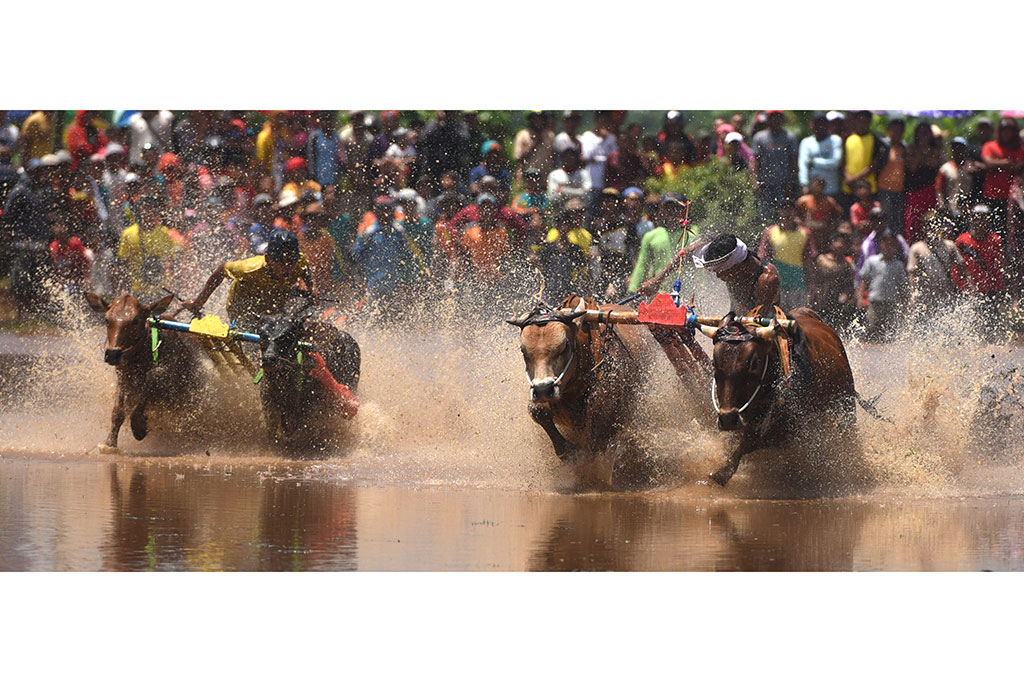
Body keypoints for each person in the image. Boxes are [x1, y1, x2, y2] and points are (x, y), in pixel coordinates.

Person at [182, 229, 314, 331]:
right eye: (280, 261)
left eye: (292, 260)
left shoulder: (300, 261)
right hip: (243, 312)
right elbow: (221, 271)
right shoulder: (250, 268)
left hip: (274, 310)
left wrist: (311, 288)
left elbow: (305, 268)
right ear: (268, 259)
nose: (287, 266)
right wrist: (199, 303)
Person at [2, 158, 57, 315]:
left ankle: (36, 313)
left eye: (42, 170)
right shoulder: (20, 191)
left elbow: (50, 215)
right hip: (24, 244)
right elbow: (8, 217)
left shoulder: (46, 190)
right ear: (29, 172)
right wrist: (8, 237)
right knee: (21, 283)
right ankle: (21, 313)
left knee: (40, 281)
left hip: (41, 244)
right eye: (37, 171)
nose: (40, 174)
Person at [351, 196, 418, 315]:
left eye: (387, 209)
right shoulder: (369, 233)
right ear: (375, 211)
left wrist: (405, 281)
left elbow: (407, 256)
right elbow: (356, 257)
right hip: (373, 284)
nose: (384, 212)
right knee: (373, 316)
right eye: (381, 209)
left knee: (394, 318)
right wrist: (360, 280)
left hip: (394, 284)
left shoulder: (399, 232)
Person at [627, 193, 698, 295]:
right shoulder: (651, 236)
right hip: (660, 293)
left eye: (675, 207)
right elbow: (642, 266)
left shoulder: (692, 235)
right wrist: (633, 290)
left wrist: (703, 287)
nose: (671, 211)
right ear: (660, 210)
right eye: (667, 208)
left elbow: (699, 265)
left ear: (683, 211)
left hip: (687, 292)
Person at [952, 204, 1006, 337]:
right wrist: (963, 287)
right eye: (977, 218)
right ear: (971, 219)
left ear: (988, 220)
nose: (979, 221)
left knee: (990, 332)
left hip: (989, 292)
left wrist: (1000, 290)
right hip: (968, 292)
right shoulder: (961, 240)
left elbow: (998, 268)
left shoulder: (995, 240)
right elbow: (956, 268)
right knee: (968, 331)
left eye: (983, 218)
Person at [115, 193, 181, 300]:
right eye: (144, 208)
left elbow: (169, 262)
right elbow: (123, 264)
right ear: (139, 211)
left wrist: (172, 285)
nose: (147, 212)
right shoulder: (128, 233)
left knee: (159, 317)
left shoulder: (164, 233)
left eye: (150, 208)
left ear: (156, 211)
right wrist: (123, 290)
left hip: (160, 289)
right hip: (136, 290)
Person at [757, 200, 818, 310]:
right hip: (776, 282)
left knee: (798, 315)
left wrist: (812, 284)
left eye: (790, 209)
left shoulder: (804, 233)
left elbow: (808, 261)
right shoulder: (770, 232)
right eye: (784, 209)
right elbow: (763, 258)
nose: (787, 212)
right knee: (776, 315)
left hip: (797, 281)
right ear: (779, 211)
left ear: (795, 212)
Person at [907, 211, 966, 316]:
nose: (932, 228)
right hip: (925, 296)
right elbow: (912, 274)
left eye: (935, 224)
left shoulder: (949, 246)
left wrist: (964, 288)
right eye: (929, 225)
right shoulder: (917, 248)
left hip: (946, 293)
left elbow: (961, 268)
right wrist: (913, 295)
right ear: (924, 228)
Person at [856, 230, 909, 343]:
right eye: (886, 244)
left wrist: (904, 304)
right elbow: (863, 281)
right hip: (874, 302)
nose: (889, 248)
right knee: (871, 330)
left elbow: (902, 286)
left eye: (892, 245)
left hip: (891, 304)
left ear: (896, 248)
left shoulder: (898, 265)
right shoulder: (872, 261)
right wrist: (860, 298)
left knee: (889, 333)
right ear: (881, 245)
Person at [538, 198, 595, 302]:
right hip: (551, 287)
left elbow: (584, 265)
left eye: (580, 212)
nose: (578, 215)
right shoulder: (552, 236)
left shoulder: (585, 237)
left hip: (571, 287)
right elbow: (543, 264)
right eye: (574, 213)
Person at [981, 118, 1024, 245]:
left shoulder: (1021, 149)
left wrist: (998, 165)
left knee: (1014, 234)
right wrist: (1008, 164)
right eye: (1004, 130)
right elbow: (988, 162)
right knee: (995, 233)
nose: (1007, 133)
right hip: (993, 197)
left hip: (1016, 200)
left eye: (1009, 130)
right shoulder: (990, 146)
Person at [752, 110, 798, 225]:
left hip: (783, 183)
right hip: (765, 183)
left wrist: (791, 182)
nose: (775, 120)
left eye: (778, 117)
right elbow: (756, 161)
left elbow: (793, 161)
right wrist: (755, 180)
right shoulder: (760, 137)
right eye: (772, 117)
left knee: (782, 214)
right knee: (765, 215)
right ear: (768, 119)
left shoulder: (789, 137)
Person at [903, 122, 943, 244]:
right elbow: (912, 167)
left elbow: (934, 163)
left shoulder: (935, 151)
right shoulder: (911, 148)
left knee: (929, 221)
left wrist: (923, 156)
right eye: (921, 133)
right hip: (913, 193)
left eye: (926, 133)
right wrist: (921, 152)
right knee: (912, 223)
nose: (923, 136)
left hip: (929, 192)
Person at [809, 231, 856, 332]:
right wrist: (811, 293)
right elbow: (813, 279)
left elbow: (849, 286)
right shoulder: (821, 260)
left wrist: (845, 295)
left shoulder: (846, 265)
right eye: (837, 241)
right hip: (819, 299)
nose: (839, 245)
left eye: (842, 242)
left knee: (832, 330)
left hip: (835, 303)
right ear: (831, 244)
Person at [841, 111, 885, 213]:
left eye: (866, 122)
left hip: (868, 189)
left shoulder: (875, 140)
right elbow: (843, 162)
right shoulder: (848, 138)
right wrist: (848, 178)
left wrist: (854, 179)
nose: (863, 124)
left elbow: (874, 165)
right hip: (849, 187)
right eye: (860, 121)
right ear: (855, 122)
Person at [798, 112, 843, 198]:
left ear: (828, 125)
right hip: (812, 189)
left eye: (823, 123)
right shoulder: (806, 142)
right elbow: (803, 165)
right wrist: (804, 184)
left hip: (831, 188)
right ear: (812, 124)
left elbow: (835, 163)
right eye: (817, 123)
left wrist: (814, 162)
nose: (820, 126)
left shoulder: (835, 140)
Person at [875, 118, 907, 237]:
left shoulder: (904, 149)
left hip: (899, 191)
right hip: (885, 189)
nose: (896, 133)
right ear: (889, 131)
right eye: (893, 130)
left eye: (899, 131)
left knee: (898, 222)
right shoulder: (883, 147)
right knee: (885, 220)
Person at [796, 177, 842, 253]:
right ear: (811, 186)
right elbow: (795, 215)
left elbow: (838, 214)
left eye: (821, 185)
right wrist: (801, 225)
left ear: (824, 187)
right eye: (816, 185)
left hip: (823, 234)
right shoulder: (803, 200)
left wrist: (831, 226)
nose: (818, 188)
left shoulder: (829, 201)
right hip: (807, 233)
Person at [512, 111, 556, 185]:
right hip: (526, 179)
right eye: (535, 118)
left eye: (540, 118)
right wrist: (535, 143)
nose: (537, 121)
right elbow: (519, 158)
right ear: (530, 120)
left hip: (544, 180)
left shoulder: (550, 136)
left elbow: (553, 157)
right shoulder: (522, 135)